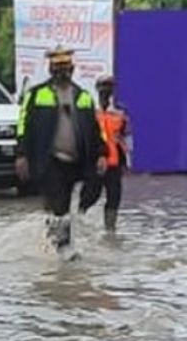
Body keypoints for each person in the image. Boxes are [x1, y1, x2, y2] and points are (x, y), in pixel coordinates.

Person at [15, 47, 106, 249]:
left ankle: (57, 242)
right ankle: (62, 250)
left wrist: (101, 154)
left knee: (87, 197)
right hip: (50, 160)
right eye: (57, 67)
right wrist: (21, 155)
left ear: (72, 69)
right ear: (50, 69)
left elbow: (94, 129)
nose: (61, 72)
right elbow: (22, 124)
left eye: (65, 67)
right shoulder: (36, 94)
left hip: (77, 162)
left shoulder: (83, 96)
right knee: (59, 206)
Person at [81, 74, 133, 231]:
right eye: (103, 86)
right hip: (95, 162)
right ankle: (75, 222)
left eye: (109, 86)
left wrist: (128, 161)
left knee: (114, 197)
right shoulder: (90, 111)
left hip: (114, 162)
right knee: (90, 195)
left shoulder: (120, 112)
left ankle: (110, 231)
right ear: (97, 89)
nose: (106, 90)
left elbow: (127, 137)